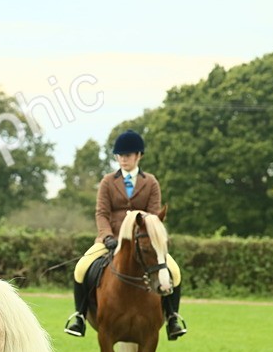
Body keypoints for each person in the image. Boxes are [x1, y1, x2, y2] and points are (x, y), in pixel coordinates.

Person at [64, 130, 187, 340]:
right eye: (120, 156)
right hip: (110, 240)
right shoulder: (107, 182)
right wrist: (107, 236)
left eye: (127, 155)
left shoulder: (150, 183)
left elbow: (153, 215)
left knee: (174, 272)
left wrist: (141, 237)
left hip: (143, 242)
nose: (123, 159)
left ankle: (173, 318)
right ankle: (80, 316)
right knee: (81, 267)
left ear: (138, 156)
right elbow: (102, 213)